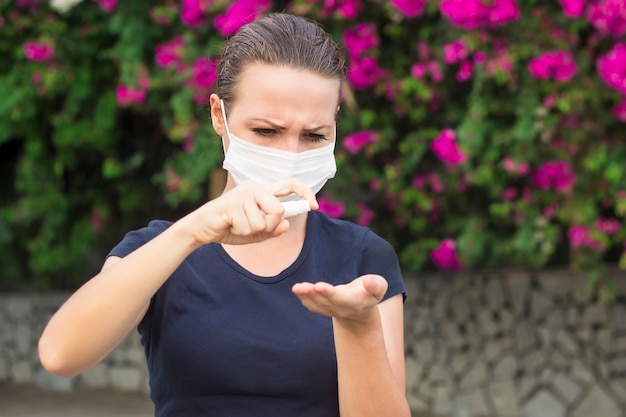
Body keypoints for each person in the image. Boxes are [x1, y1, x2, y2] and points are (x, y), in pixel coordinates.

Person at [38, 13, 410, 417]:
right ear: (219, 116)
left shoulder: (363, 259)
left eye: (314, 135)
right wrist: (192, 233)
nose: (290, 154)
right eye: (267, 131)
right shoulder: (163, 249)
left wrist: (358, 325)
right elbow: (61, 354)